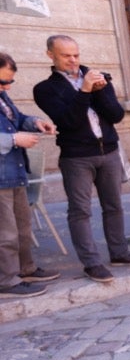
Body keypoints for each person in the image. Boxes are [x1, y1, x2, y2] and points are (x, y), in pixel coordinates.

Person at [32, 35, 130, 283]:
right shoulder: (45, 89)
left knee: (114, 206)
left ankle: (119, 253)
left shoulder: (98, 77)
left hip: (108, 151)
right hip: (77, 157)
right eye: (66, 56)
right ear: (50, 55)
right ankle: (92, 263)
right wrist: (85, 90)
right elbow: (69, 121)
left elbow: (116, 115)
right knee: (80, 211)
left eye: (76, 54)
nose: (73, 60)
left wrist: (100, 90)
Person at [0, 52, 60, 297]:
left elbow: (18, 118)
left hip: (16, 172)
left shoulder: (3, 97)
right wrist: (15, 139)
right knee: (6, 233)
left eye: (10, 82)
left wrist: (35, 122)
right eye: (2, 82)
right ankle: (7, 280)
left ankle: (26, 268)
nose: (7, 88)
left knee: (23, 227)